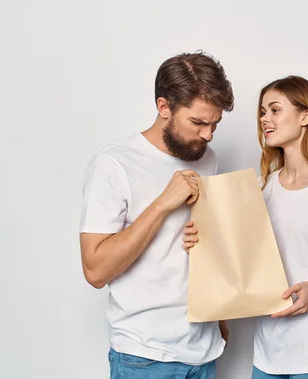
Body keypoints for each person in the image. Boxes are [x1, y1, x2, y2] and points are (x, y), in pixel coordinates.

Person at [183, 75, 308, 379]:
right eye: (262, 112)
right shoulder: (264, 187)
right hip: (267, 354)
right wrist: (199, 236)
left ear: (305, 116)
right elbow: (241, 252)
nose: (265, 119)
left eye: (275, 110)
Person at [79, 50, 234, 379]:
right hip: (144, 358)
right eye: (198, 122)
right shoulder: (114, 163)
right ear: (164, 107)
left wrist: (220, 316)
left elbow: (203, 245)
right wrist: (163, 203)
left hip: (205, 352)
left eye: (214, 124)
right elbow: (95, 271)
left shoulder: (208, 159)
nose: (207, 135)